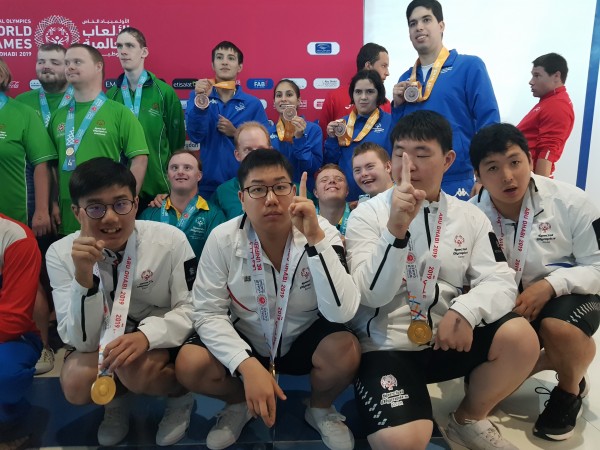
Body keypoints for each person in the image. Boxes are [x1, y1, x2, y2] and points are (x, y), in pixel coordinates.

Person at [345, 110, 539, 450]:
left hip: (448, 338)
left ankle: (468, 419)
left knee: (521, 338)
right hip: (387, 346)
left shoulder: (469, 216)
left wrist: (466, 310)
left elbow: (500, 278)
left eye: (422, 154)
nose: (409, 166)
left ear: (447, 160)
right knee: (401, 442)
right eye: (400, 154)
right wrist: (395, 230)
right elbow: (370, 295)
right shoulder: (366, 215)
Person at [175, 150, 361, 450]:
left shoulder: (321, 230)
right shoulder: (223, 239)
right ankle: (239, 403)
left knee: (346, 350)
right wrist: (245, 365)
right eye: (258, 189)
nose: (271, 199)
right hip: (248, 337)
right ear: (242, 198)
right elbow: (207, 312)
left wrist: (315, 240)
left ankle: (320, 408)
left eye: (280, 187)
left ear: (293, 190)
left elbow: (343, 312)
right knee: (190, 364)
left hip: (303, 335)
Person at [46, 158, 196, 447]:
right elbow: (80, 341)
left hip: (161, 338)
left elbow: (191, 308)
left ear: (136, 204)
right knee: (76, 382)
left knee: (136, 371)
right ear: (77, 212)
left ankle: (180, 398)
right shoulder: (60, 253)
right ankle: (116, 402)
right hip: (103, 342)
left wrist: (147, 336)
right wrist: (83, 278)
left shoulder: (170, 240)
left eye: (120, 204)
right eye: (95, 208)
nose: (111, 218)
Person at [469, 122, 600, 442]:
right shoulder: (472, 215)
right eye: (492, 168)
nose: (507, 176)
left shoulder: (572, 202)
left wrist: (551, 286)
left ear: (530, 159)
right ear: (478, 176)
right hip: (508, 304)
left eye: (515, 162)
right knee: (478, 384)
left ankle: (569, 389)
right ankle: (556, 359)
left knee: (559, 330)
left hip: (569, 298)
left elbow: (597, 265)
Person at [392, 0, 499, 200]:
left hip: (459, 178)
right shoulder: (406, 79)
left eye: (426, 20)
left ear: (441, 26)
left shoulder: (469, 66)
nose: (419, 27)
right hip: (416, 180)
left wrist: (486, 174)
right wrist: (397, 107)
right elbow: (399, 137)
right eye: (413, 23)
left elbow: (489, 123)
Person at [48, 43, 148, 236]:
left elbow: (140, 159)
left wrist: (125, 204)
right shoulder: (58, 116)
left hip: (107, 215)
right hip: (68, 215)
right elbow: (52, 166)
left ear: (98, 66)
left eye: (77, 62)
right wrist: (52, 203)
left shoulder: (119, 113)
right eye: (67, 63)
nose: (70, 67)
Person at [15, 45, 71, 375]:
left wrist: (56, 203)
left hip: (72, 200)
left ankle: (70, 333)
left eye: (54, 62)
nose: (46, 66)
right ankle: (43, 338)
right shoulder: (21, 103)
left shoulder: (80, 102)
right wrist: (44, 205)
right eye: (41, 61)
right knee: (38, 272)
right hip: (34, 203)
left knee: (66, 270)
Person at [107, 27, 186, 213]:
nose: (123, 51)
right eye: (119, 46)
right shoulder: (110, 96)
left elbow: (176, 143)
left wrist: (170, 183)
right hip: (119, 190)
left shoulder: (164, 92)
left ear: (144, 52)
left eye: (130, 46)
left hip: (158, 191)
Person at [186, 41, 269, 198]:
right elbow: (195, 135)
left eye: (231, 58)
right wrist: (202, 103)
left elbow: (264, 148)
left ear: (239, 67)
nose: (225, 62)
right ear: (213, 64)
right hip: (207, 185)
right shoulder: (198, 97)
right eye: (219, 57)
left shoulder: (252, 104)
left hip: (244, 185)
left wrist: (236, 133)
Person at [0, 214, 43, 448]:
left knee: (5, 376)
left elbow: (12, 321)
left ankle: (8, 419)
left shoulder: (15, 237)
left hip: (13, 337)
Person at [140, 150, 225, 266]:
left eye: (187, 168)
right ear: (167, 175)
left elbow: (218, 262)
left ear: (199, 176)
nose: (180, 172)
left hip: (197, 278)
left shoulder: (214, 215)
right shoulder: (149, 214)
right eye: (174, 168)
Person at [324, 70, 393, 202]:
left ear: (379, 94)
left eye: (370, 92)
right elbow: (331, 162)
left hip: (382, 199)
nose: (363, 97)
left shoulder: (391, 122)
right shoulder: (341, 124)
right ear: (352, 94)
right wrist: (331, 139)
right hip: (348, 200)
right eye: (358, 92)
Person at [516, 53, 574, 178]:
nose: (531, 82)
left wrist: (538, 188)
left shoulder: (557, 105)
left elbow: (548, 151)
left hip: (527, 179)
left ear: (556, 76)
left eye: (537, 75)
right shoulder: (548, 102)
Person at [319, 42, 391, 139]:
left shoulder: (385, 103)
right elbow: (324, 136)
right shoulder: (334, 97)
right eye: (383, 66)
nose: (387, 73)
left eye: (370, 92)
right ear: (368, 66)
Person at [268, 79, 322, 192]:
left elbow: (313, 169)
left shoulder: (313, 130)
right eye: (279, 95)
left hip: (305, 193)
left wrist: (300, 139)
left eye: (289, 94)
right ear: (274, 102)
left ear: (298, 101)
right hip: (276, 193)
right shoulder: (267, 133)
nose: (283, 99)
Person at [211, 121, 273, 220]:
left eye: (261, 149)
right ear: (237, 155)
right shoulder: (223, 193)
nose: (255, 155)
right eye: (248, 150)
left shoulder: (291, 190)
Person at [313, 164, 352, 236]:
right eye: (324, 180)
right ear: (316, 193)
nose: (332, 181)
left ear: (347, 191)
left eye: (339, 179)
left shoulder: (362, 216)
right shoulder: (305, 221)